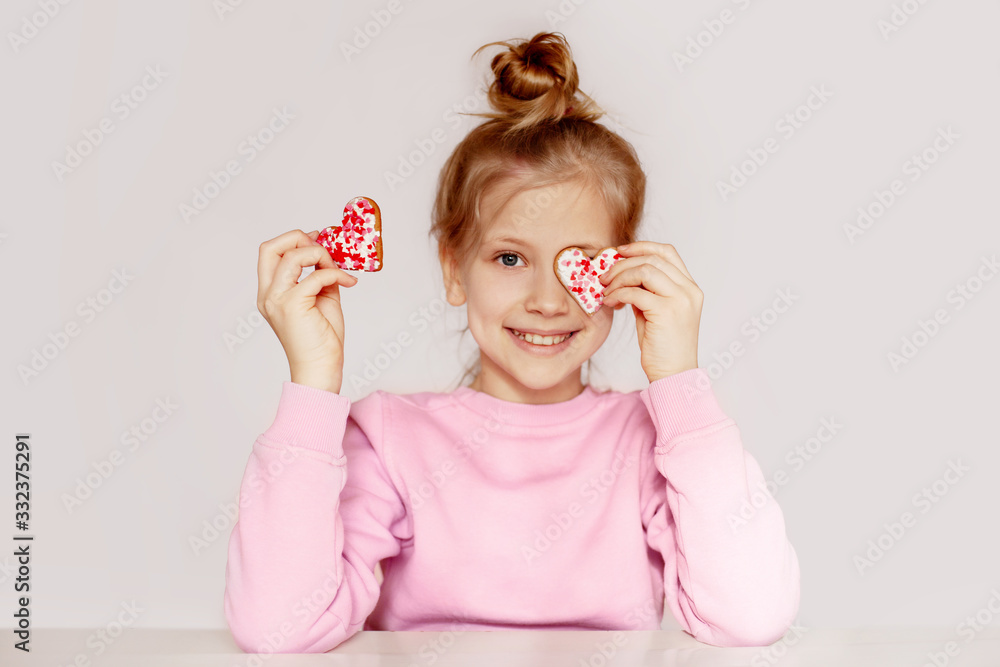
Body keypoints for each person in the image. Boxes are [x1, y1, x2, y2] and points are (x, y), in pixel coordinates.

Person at [224, 31, 800, 654]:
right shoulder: (390, 439)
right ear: (453, 267)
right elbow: (279, 628)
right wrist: (313, 382)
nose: (548, 301)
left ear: (622, 270)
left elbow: (750, 617)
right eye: (508, 258)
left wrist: (680, 383)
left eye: (577, 261)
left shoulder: (648, 443)